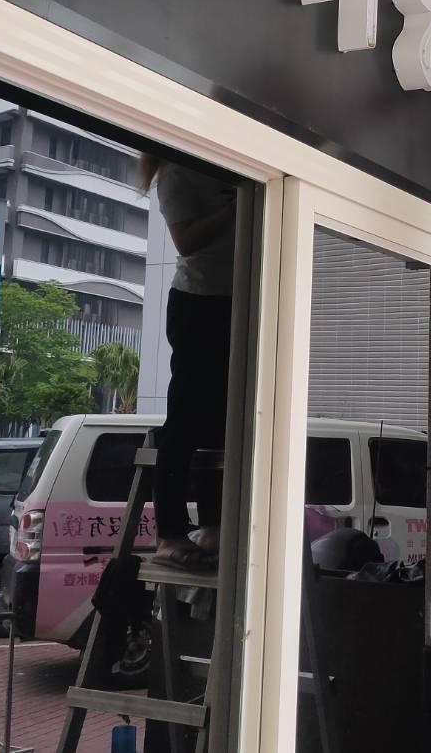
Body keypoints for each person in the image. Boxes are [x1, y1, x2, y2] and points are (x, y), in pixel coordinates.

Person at [140, 156, 237, 569]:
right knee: (185, 419)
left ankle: (213, 524)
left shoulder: (225, 166)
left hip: (233, 298)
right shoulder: (177, 171)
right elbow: (185, 241)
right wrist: (235, 209)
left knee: (221, 419)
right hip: (198, 302)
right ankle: (170, 533)